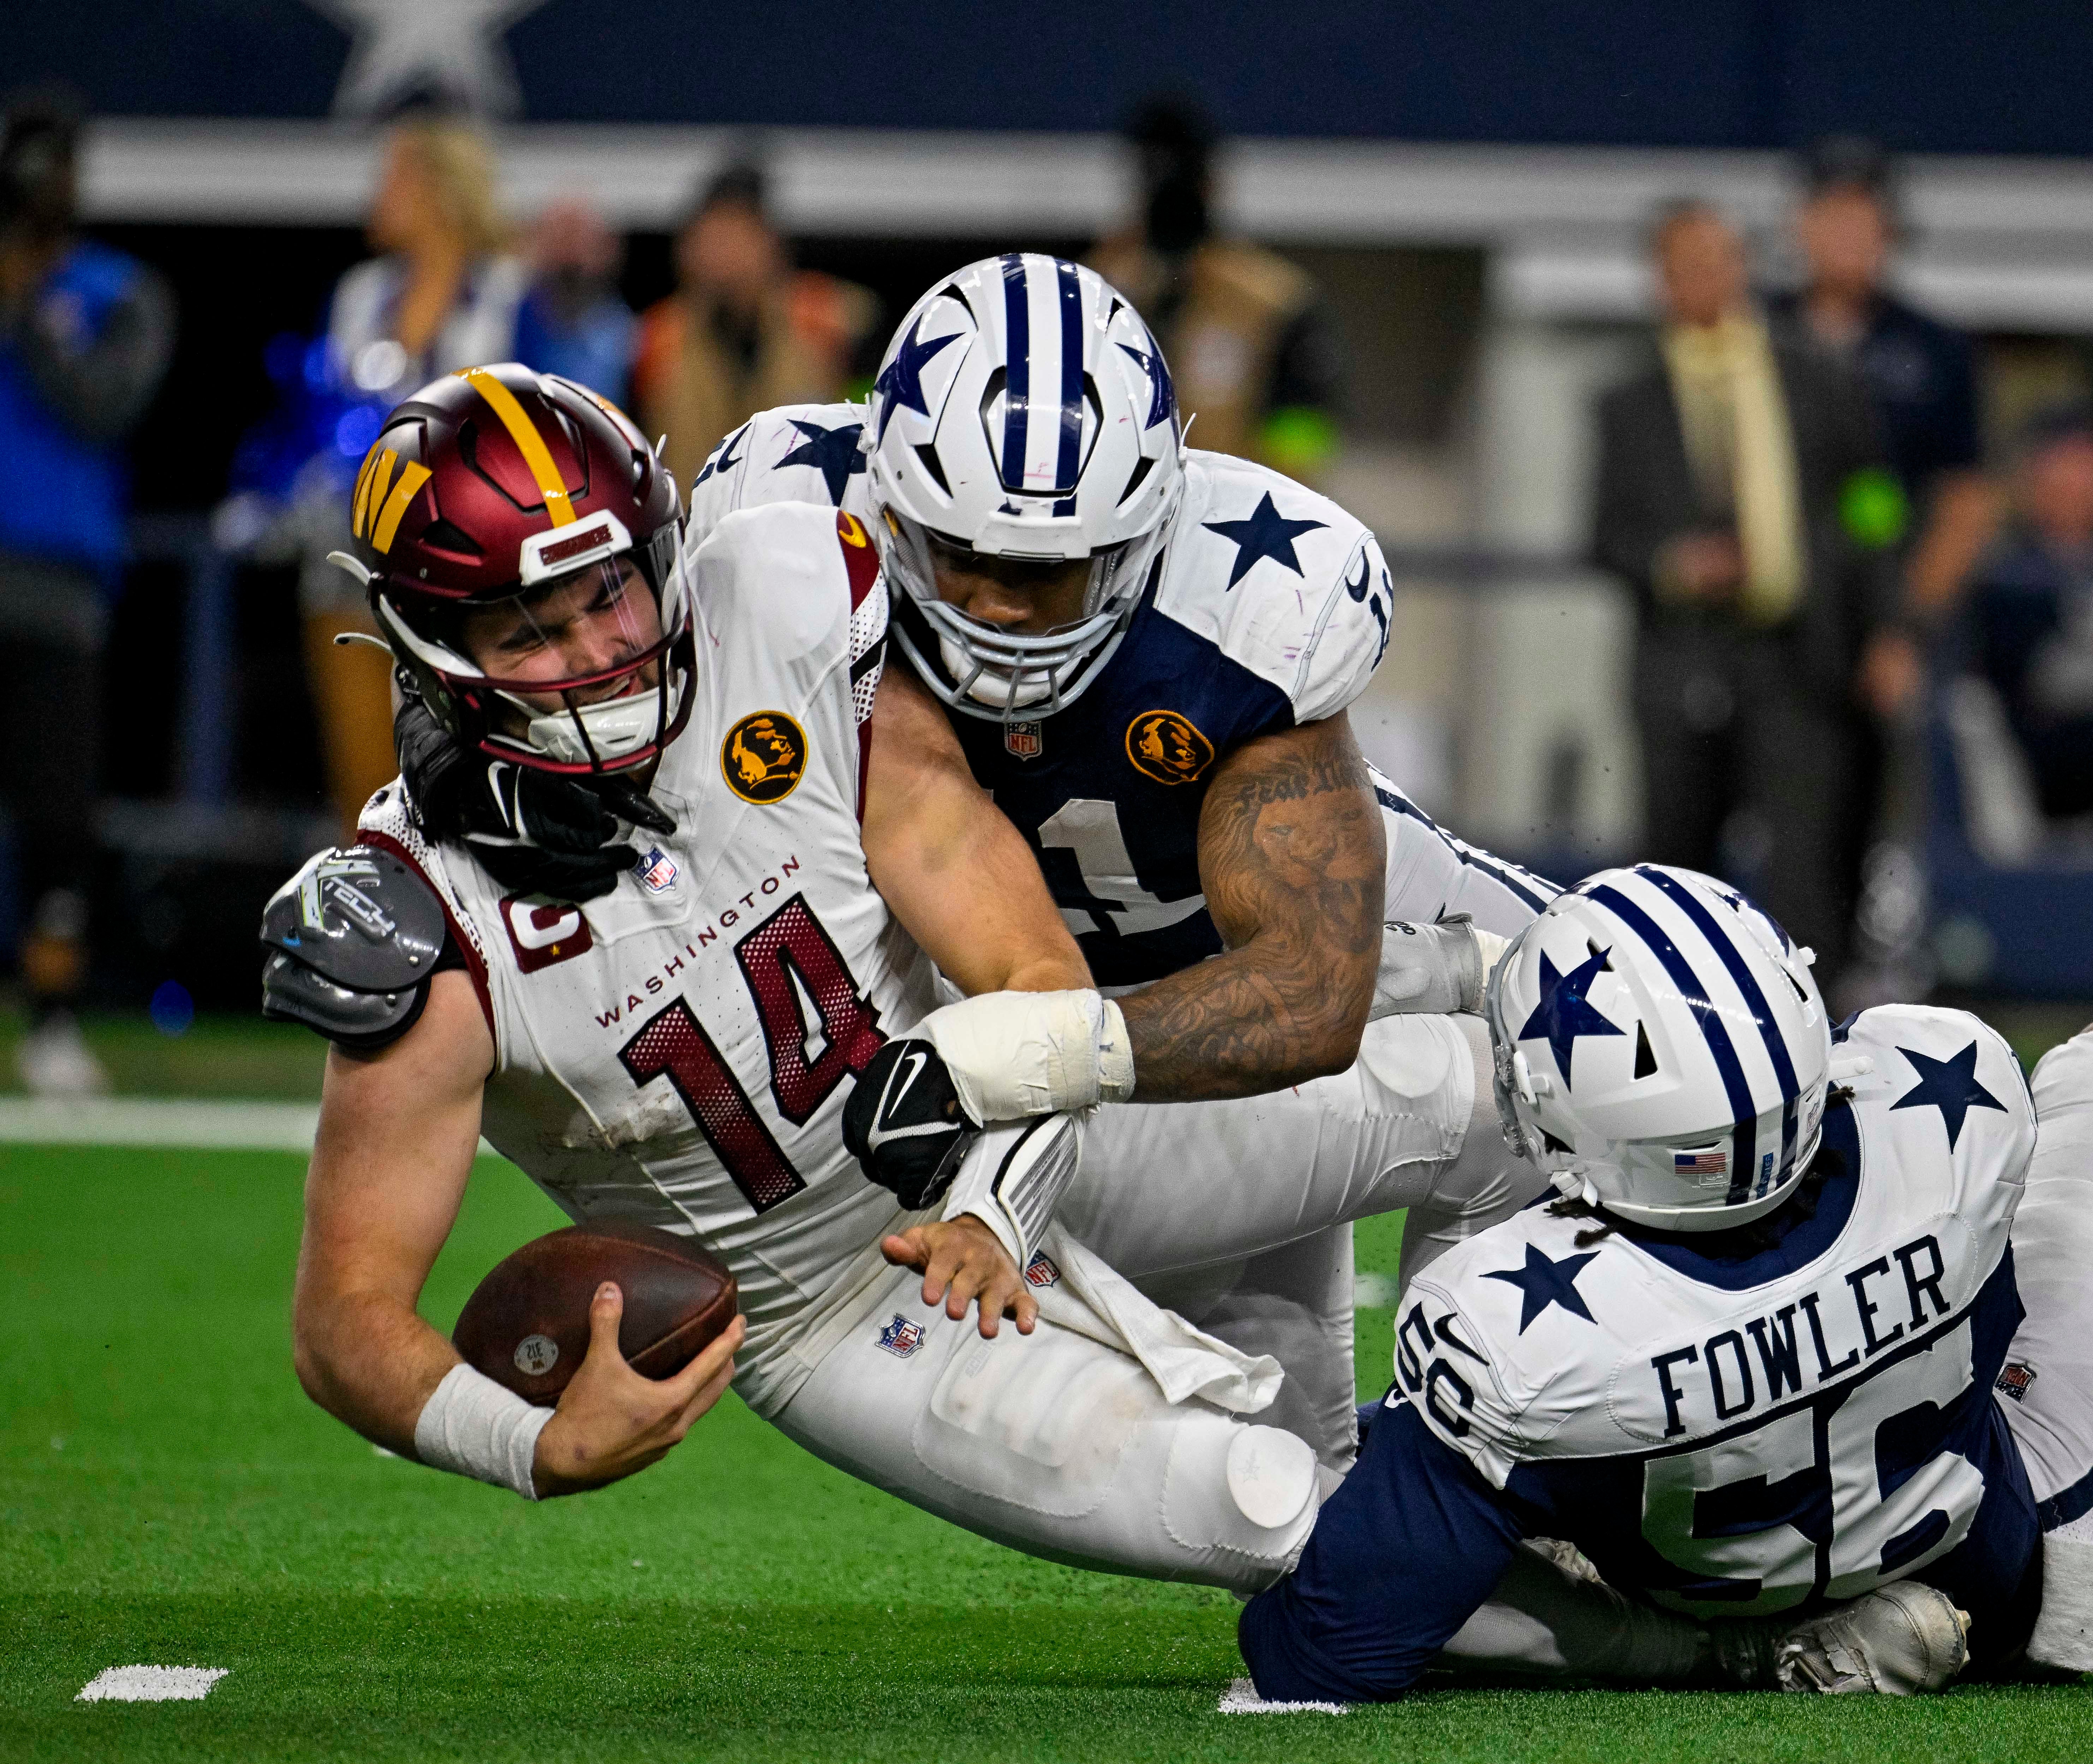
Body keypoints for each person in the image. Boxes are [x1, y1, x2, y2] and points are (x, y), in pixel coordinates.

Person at [286, 366, 1593, 1630]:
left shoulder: (785, 614)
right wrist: (526, 1443)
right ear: (431, 644)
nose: (599, 654)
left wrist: (992, 1197)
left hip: (1028, 1125)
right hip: (837, 1310)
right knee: (1258, 1507)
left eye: (612, 596)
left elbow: (1032, 976)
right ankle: (1671, 1648)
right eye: (531, 631)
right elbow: (345, 1315)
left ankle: (1547, 1491)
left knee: (1499, 1095)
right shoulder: (427, 915)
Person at [538, 253, 1556, 1453]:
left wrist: (1012, 1054)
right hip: (1122, 1045)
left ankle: (1509, 1480)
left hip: (1364, 955)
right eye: (957, 554)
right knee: (1306, 1500)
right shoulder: (788, 540)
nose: (993, 604)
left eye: (1041, 570)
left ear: (1140, 531)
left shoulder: (1246, 607)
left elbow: (1309, 993)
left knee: (1590, 1062)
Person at [1239, 760, 2093, 1703]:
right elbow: (1999, 1304)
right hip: (2019, 1539)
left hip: (1864, 1581)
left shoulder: (1511, 1342)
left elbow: (1326, 1643)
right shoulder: (1935, 1114)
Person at [1591, 201, 1906, 963]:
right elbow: (1603, 535)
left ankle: (1816, 1043)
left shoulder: (1817, 378)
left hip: (1798, 656)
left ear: (1744, 268)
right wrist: (1674, 564)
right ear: (1659, 281)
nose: (1703, 280)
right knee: (1674, 873)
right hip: (1681, 659)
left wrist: (1884, 623)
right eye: (1684, 265)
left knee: (1807, 865)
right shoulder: (1625, 399)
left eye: (1717, 260)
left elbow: (1873, 502)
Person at [0, 92, 172, 1095]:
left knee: (60, 820)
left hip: (58, 590)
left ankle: (53, 1020)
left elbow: (102, 406)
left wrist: (28, 310)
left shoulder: (118, 291)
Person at [299, 113, 532, 832]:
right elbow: (327, 419)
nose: (379, 193)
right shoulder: (359, 296)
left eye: (395, 176)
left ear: (437, 186)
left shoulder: (511, 291)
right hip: (356, 563)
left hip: (473, 569)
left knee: (467, 780)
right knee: (366, 792)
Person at [1776, 137, 1999, 676]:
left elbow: (1965, 501)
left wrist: (1906, 629)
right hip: (1774, 622)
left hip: (1895, 608)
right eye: (1832, 214)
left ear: (1889, 231)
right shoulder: (1755, 335)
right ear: (1799, 225)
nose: (1848, 234)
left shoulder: (1935, 348)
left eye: (1864, 216)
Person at [1085, 97, 1346, 483]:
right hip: (1113, 513)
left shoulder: (1271, 299)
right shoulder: (1097, 287)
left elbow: (1302, 424)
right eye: (1155, 179)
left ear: (1209, 184)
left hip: (1229, 519)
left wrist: (1279, 507)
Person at [632, 161, 877, 497]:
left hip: (812, 525)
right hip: (691, 532)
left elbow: (872, 423)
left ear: (771, 244)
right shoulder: (657, 336)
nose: (727, 254)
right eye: (714, 238)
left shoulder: (830, 319)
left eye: (740, 236)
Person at [1962, 405, 2093, 829]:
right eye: (2066, 471)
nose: (2082, 487)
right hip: (2040, 767)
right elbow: (2024, 683)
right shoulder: (2002, 579)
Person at [512, 199, 637, 403]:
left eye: (580, 240)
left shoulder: (626, 331)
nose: (570, 257)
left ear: (605, 250)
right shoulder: (507, 321)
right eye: (560, 239)